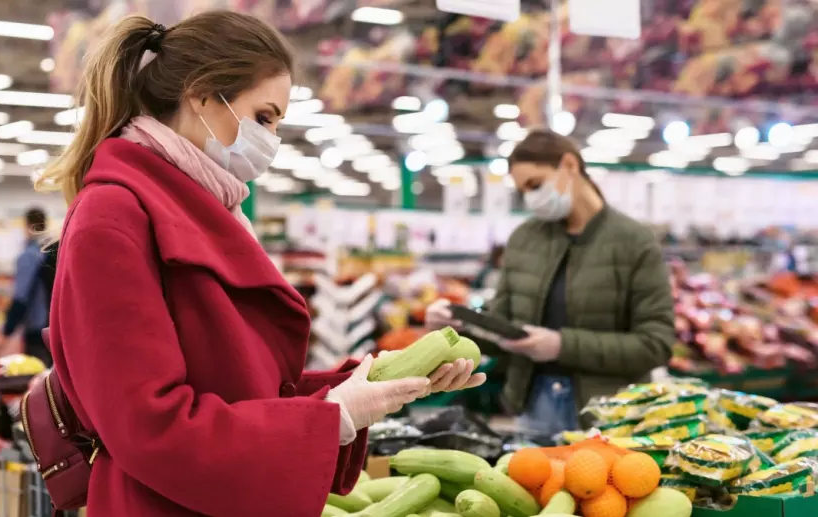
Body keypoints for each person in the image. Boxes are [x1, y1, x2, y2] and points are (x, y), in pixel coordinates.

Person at [36, 12, 484, 517]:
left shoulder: (207, 208)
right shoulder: (113, 217)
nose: (272, 139)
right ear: (202, 95)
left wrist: (370, 386)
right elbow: (148, 426)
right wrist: (332, 417)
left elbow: (243, 387)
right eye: (265, 117)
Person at [426, 129, 674, 437]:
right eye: (523, 190)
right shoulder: (524, 239)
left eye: (536, 184)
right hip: (535, 406)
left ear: (569, 165)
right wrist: (454, 328)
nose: (531, 198)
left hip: (610, 414)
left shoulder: (635, 242)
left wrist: (560, 345)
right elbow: (502, 330)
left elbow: (656, 344)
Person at [0, 207, 53, 366]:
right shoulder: (51, 251)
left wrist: (6, 331)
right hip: (54, 325)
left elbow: (21, 297)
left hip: (37, 329)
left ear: (27, 225)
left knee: (36, 376)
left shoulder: (29, 255)